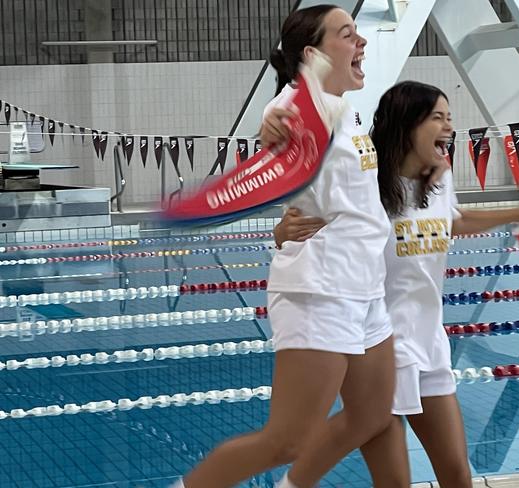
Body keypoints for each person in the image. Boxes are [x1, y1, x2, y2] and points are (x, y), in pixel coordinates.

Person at [274, 81, 519, 487]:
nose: (449, 127)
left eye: (450, 118)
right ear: (408, 124)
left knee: (457, 475)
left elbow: (455, 221)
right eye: (438, 118)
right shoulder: (363, 186)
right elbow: (306, 228)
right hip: (378, 349)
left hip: (429, 342)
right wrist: (282, 232)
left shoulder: (438, 180)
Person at [174, 6, 397, 488]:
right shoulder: (294, 106)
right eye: (347, 35)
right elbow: (278, 124)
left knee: (372, 414)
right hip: (321, 289)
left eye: (358, 33)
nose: (361, 43)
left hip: (365, 288)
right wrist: (271, 127)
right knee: (286, 440)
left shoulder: (345, 104)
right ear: (314, 54)